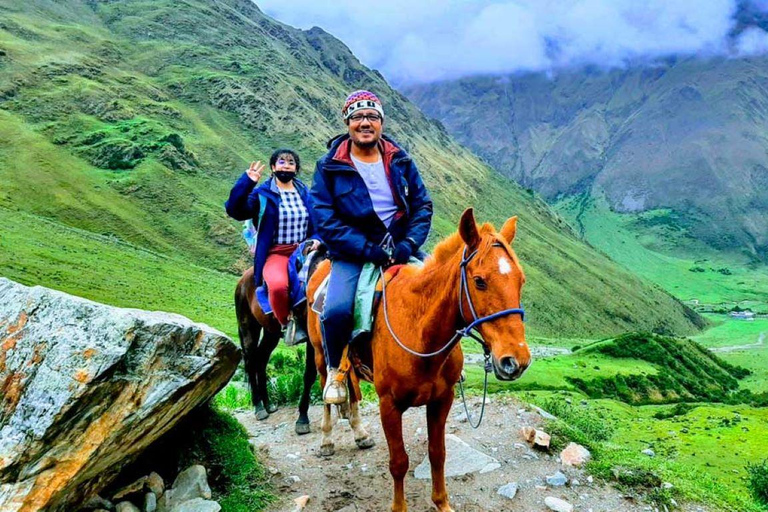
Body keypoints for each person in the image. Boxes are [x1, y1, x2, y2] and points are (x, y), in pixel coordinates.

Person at [310, 90, 433, 404]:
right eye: (358, 117)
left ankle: (445, 363)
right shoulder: (329, 166)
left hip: (400, 246)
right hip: (351, 252)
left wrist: (409, 243)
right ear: (348, 123)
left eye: (372, 117)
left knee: (443, 291)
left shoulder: (400, 160)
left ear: (381, 122)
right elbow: (324, 218)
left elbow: (422, 206)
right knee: (336, 310)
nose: (365, 122)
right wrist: (365, 248)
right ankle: (338, 372)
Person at [225, 149, 319, 329]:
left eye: (291, 162)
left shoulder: (306, 195)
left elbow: (318, 223)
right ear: (273, 167)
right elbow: (234, 210)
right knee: (277, 287)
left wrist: (316, 240)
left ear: (296, 169)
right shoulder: (262, 194)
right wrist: (247, 183)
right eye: (281, 161)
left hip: (304, 251)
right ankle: (288, 324)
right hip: (277, 253)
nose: (286, 165)